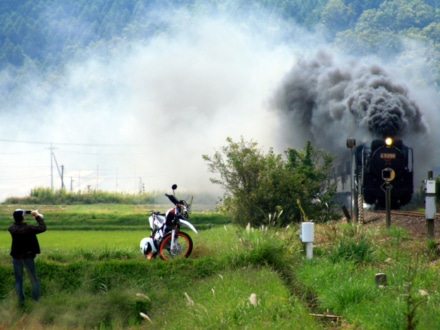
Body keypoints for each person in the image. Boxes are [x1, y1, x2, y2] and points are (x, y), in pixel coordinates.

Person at [8, 209, 46, 303]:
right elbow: (42, 227)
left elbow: (17, 221)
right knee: (34, 279)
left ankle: (20, 301)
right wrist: (36, 216)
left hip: (16, 256)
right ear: (23, 217)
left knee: (18, 279)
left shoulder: (11, 228)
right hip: (27, 256)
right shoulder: (28, 228)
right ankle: (35, 301)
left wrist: (25, 213)